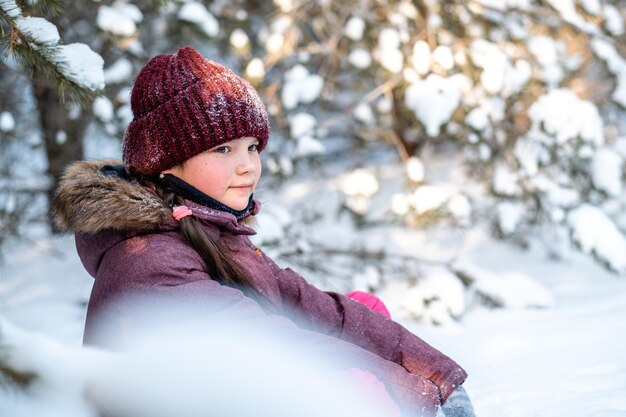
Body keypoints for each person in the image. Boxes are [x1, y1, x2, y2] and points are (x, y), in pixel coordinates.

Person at [53, 46, 474, 417]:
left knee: (364, 312)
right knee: (352, 383)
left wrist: (436, 374)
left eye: (252, 146)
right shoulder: (148, 260)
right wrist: (410, 393)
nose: (247, 166)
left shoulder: (208, 229)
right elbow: (276, 349)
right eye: (223, 149)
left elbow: (313, 306)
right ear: (165, 164)